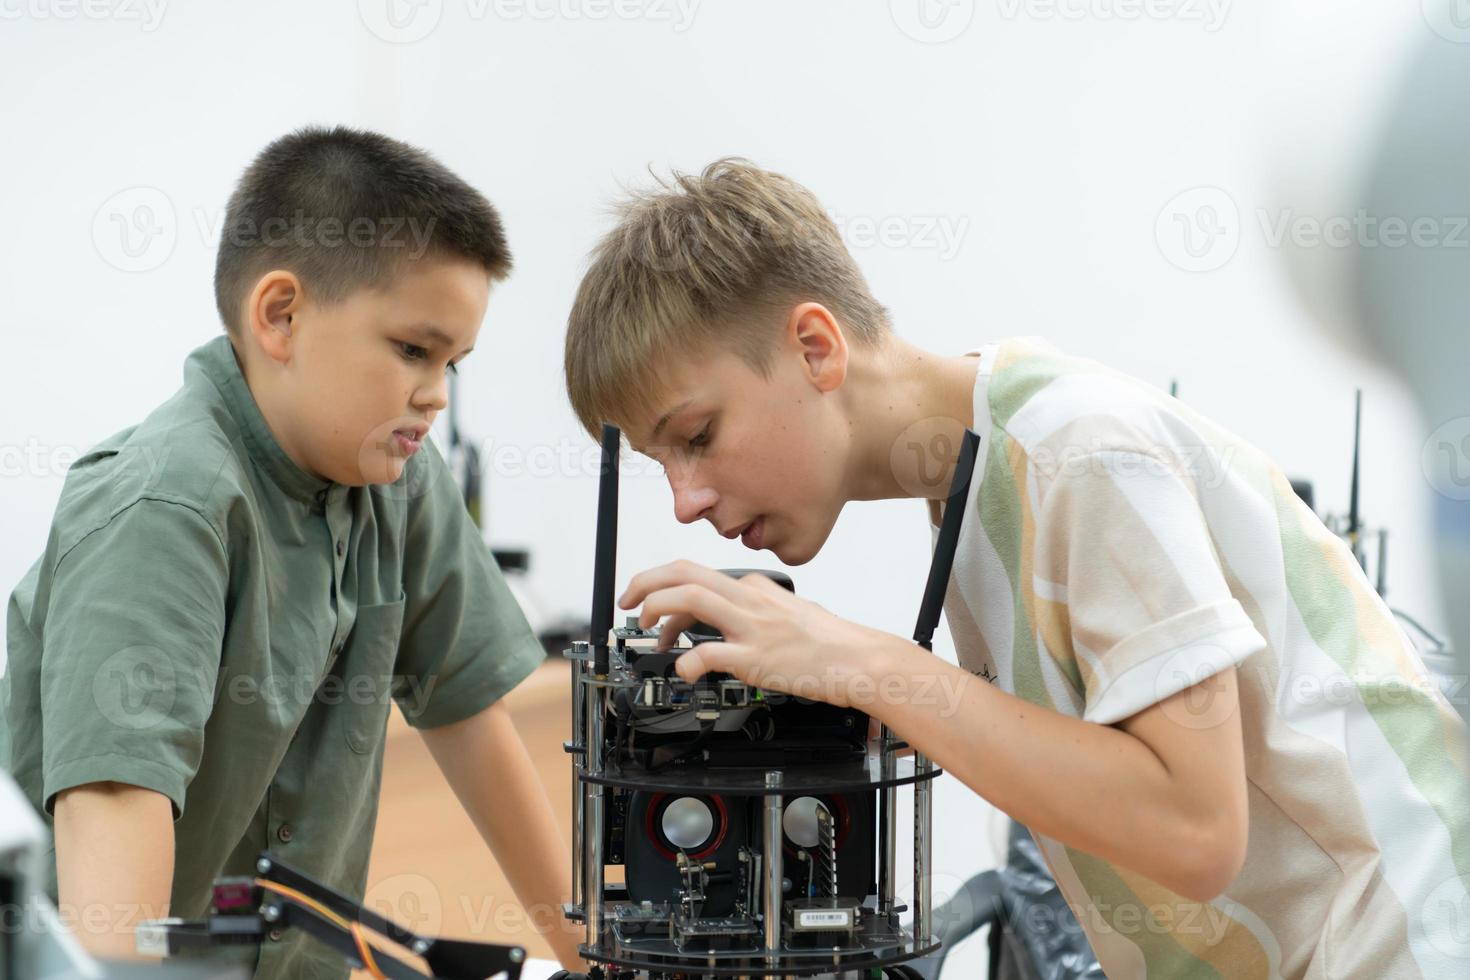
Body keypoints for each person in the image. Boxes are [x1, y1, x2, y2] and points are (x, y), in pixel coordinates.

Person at [563, 159, 1470, 978]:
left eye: (697, 437)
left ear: (815, 347)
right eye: (661, 465)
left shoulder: (1077, 452)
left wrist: (873, 667)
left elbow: (1198, 834)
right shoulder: (975, 477)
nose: (685, 502)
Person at [2, 126, 582, 976]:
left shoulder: (399, 480)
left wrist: (594, 961)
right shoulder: (164, 508)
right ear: (280, 316)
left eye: (453, 361)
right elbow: (112, 858)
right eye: (414, 350)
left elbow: (468, 713)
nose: (435, 394)